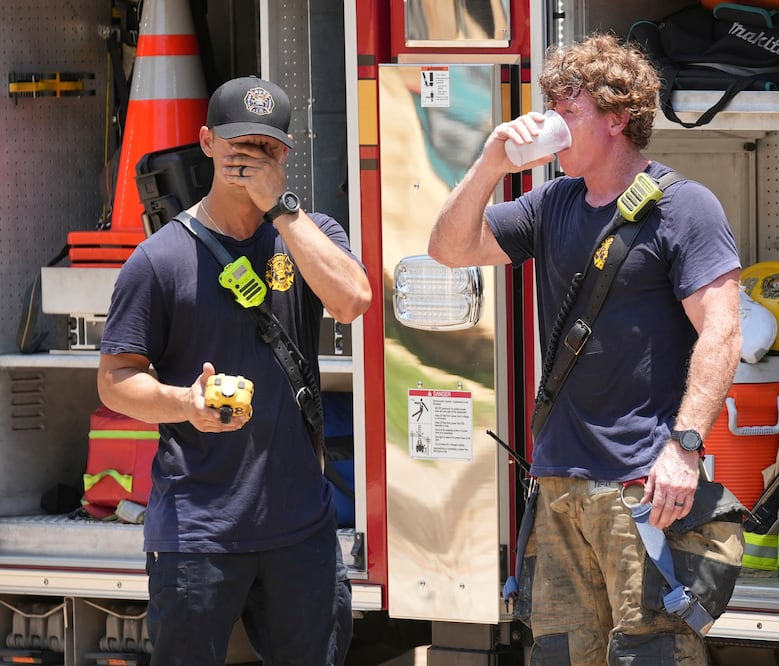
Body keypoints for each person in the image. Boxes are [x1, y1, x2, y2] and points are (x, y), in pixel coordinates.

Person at [428, 34, 743, 665]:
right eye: (551, 109)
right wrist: (490, 164)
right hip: (560, 484)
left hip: (642, 487)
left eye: (568, 111)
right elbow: (448, 249)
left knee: (651, 654)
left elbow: (723, 331)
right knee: (560, 656)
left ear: (617, 117)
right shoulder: (553, 202)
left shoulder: (684, 208)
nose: (551, 124)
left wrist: (683, 448)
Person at [97, 76, 371, 665]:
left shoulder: (310, 235)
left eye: (265, 147)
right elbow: (115, 379)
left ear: (285, 154)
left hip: (301, 527)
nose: (250, 158)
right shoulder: (160, 259)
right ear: (207, 142)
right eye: (237, 143)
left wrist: (282, 210)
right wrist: (184, 404)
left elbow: (353, 301)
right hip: (198, 530)